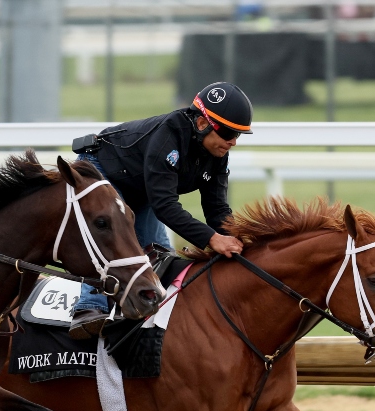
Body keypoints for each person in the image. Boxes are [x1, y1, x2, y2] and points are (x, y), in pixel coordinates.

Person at [66, 81, 252, 339]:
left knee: (161, 261)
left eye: (238, 135)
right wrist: (212, 239)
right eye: (228, 133)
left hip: (140, 190)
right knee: (115, 240)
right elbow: (165, 206)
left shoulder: (218, 154)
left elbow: (217, 209)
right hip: (101, 172)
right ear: (202, 124)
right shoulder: (168, 136)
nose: (233, 142)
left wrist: (240, 242)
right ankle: (89, 310)